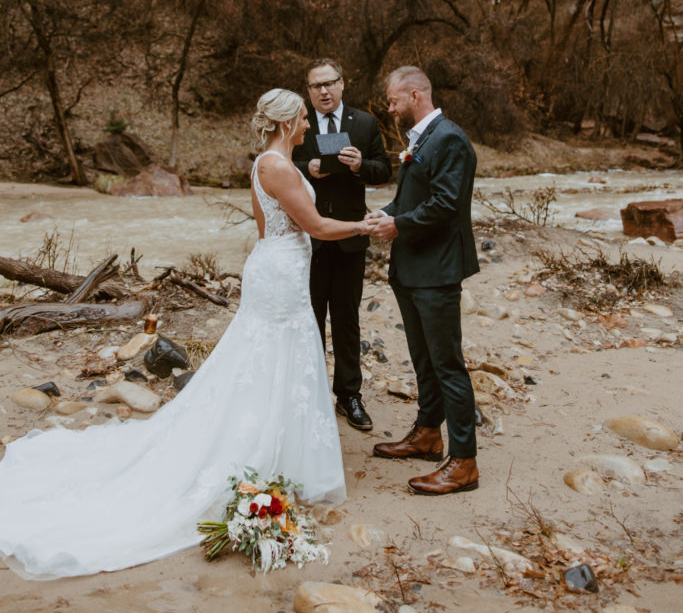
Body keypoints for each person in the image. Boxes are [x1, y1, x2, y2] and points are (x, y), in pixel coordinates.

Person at [0, 89, 370, 579]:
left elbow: (268, 229)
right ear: (285, 124)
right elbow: (319, 227)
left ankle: (272, 449)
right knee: (277, 357)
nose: (308, 124)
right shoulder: (279, 167)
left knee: (264, 360)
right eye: (303, 118)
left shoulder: (266, 163)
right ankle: (260, 454)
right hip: (281, 274)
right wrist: (368, 225)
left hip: (272, 265)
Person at [367, 66, 480, 496]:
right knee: (423, 358)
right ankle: (429, 433)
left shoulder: (449, 138)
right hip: (412, 268)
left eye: (394, 101)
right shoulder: (421, 139)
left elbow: (447, 205)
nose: (390, 108)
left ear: (415, 94)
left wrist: (398, 225)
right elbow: (413, 197)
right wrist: (385, 214)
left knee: (447, 363)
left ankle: (464, 461)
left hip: (436, 270)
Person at [292, 59, 391, 432]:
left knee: (347, 318)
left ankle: (349, 395)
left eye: (329, 83)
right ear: (308, 91)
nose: (323, 91)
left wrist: (360, 165)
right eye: (316, 86)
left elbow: (384, 171)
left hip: (351, 235)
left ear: (342, 83)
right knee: (310, 318)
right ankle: (312, 393)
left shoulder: (363, 123)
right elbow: (280, 163)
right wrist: (308, 168)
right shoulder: (298, 123)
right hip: (308, 236)